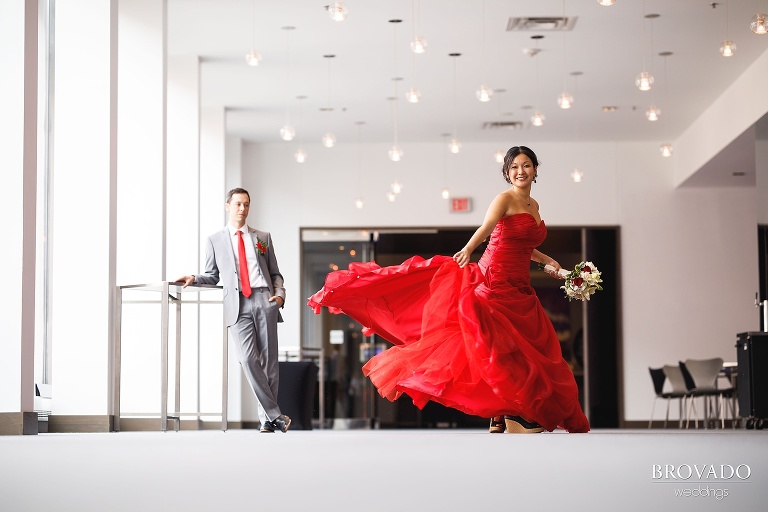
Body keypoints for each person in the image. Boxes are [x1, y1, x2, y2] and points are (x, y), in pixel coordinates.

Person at [308, 146, 589, 434]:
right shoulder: (504, 198)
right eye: (514, 166)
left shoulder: (534, 205)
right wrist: (467, 249)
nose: (521, 171)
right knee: (498, 345)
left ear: (535, 169)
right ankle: (510, 410)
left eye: (526, 165)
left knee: (524, 345)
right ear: (507, 172)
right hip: (495, 278)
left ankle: (500, 411)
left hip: (520, 283)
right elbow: (486, 229)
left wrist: (549, 262)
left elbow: (523, 245)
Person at [176, 187, 290, 433]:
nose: (242, 209)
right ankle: (275, 415)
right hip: (237, 304)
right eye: (238, 204)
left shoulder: (263, 238)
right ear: (228, 206)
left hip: (265, 299)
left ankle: (266, 420)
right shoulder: (214, 240)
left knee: (269, 363)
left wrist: (280, 295)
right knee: (247, 359)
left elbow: (275, 273)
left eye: (246, 204)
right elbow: (212, 275)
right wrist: (195, 278)